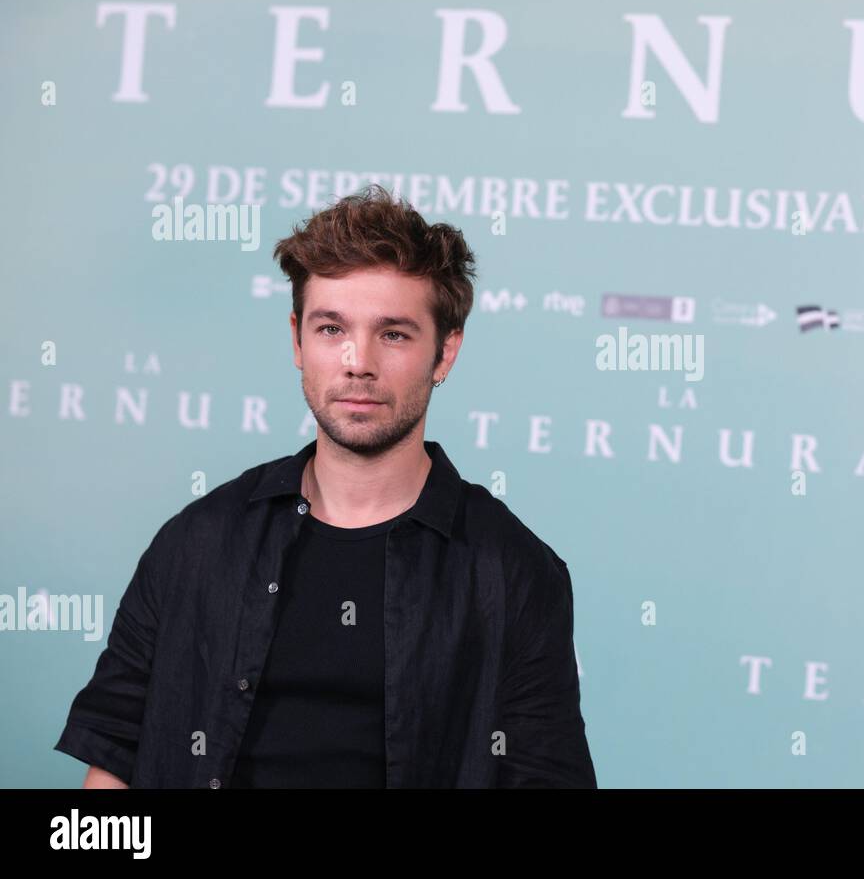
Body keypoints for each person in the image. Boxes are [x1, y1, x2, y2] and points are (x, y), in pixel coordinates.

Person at [53, 184, 597, 788]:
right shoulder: (197, 542)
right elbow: (115, 766)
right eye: (331, 328)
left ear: (444, 353)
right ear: (297, 340)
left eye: (393, 334)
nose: (356, 361)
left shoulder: (512, 572)